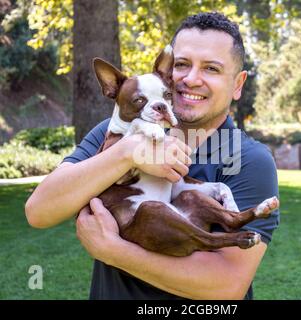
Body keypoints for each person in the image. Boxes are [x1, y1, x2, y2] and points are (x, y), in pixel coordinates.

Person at [25, 12, 279, 300]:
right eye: (182, 65)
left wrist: (114, 251)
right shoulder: (115, 132)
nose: (191, 79)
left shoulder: (249, 159)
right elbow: (39, 211)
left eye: (211, 68)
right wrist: (128, 153)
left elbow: (226, 286)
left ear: (237, 84)